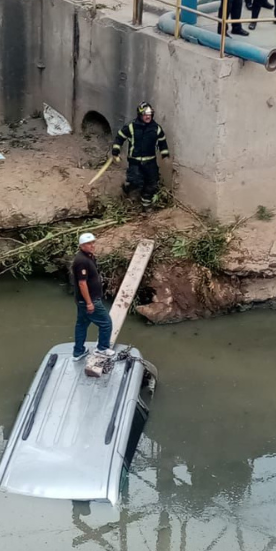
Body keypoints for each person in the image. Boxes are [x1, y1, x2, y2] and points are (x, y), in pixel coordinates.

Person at [111, 102, 170, 211]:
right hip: (135, 162)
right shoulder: (131, 127)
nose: (148, 116)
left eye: (150, 114)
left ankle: (146, 204)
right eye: (145, 114)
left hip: (150, 162)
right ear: (140, 114)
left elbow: (162, 141)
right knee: (136, 181)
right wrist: (116, 150)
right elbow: (120, 137)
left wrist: (165, 154)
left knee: (152, 183)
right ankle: (128, 189)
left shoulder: (156, 128)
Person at [71, 233, 114, 361]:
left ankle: (78, 351)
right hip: (89, 300)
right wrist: (89, 303)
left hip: (83, 300)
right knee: (106, 323)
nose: (92, 246)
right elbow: (82, 283)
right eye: (89, 244)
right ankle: (102, 348)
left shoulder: (89, 257)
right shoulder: (81, 261)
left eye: (93, 243)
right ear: (81, 246)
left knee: (82, 325)